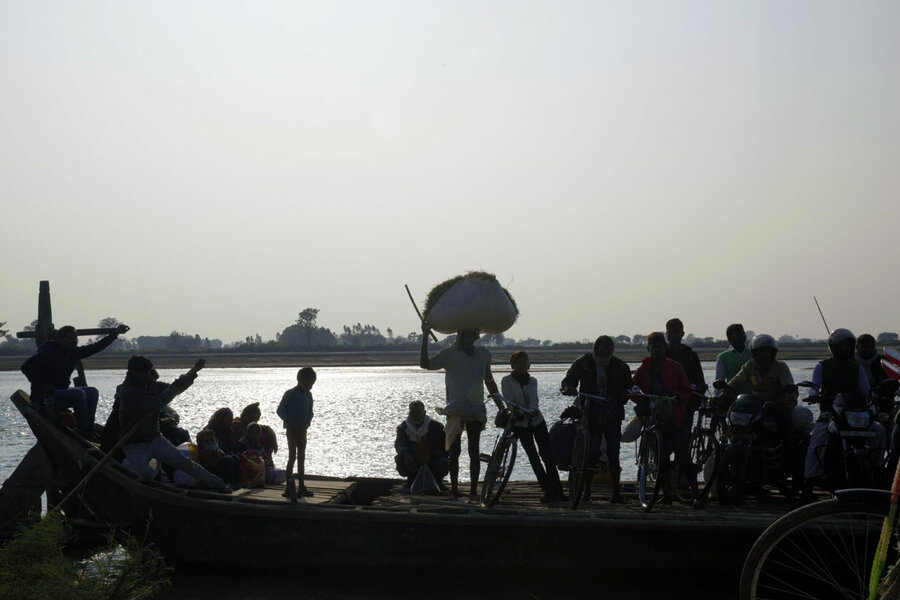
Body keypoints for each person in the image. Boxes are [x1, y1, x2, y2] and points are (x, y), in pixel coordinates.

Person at [117, 355, 229, 492]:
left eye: (149, 372)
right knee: (145, 475)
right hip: (133, 442)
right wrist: (177, 386)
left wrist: (194, 372)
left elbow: (175, 388)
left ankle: (219, 485)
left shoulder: (149, 383)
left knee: (185, 463)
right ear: (134, 372)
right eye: (144, 373)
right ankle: (156, 463)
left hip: (153, 437)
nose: (148, 376)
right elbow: (159, 401)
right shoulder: (128, 392)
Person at [420, 322, 502, 500]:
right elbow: (425, 364)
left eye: (472, 336)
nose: (469, 339)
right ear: (460, 337)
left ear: (475, 338)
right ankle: (455, 489)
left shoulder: (483, 355)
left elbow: (489, 381)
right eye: (466, 336)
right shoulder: (449, 355)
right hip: (455, 410)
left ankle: (473, 490)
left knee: (474, 450)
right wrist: (425, 336)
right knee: (454, 452)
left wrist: (501, 407)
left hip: (475, 410)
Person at [803, 329, 883, 492]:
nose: (846, 349)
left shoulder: (857, 368)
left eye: (849, 345)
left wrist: (875, 397)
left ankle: (877, 469)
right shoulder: (822, 366)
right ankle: (809, 480)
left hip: (855, 415)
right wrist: (813, 395)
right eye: (842, 346)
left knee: (879, 431)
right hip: (832, 415)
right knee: (817, 441)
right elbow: (815, 387)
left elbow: (866, 390)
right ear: (833, 347)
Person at [21, 323, 129, 438]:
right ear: (60, 339)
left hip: (60, 394)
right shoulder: (49, 351)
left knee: (92, 391)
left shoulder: (73, 352)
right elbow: (26, 367)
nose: (74, 341)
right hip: (43, 398)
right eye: (70, 338)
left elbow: (96, 347)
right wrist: (44, 386)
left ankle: (89, 428)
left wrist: (115, 333)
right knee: (78, 393)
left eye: (75, 338)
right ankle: (83, 430)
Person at [722, 334, 800, 490]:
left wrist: (785, 404)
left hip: (777, 407)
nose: (764, 355)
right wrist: (726, 392)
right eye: (761, 351)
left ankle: (794, 476)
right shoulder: (749, 366)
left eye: (768, 351)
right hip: (755, 408)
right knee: (738, 431)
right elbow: (736, 381)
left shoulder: (781, 367)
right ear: (754, 353)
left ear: (773, 353)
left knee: (789, 437)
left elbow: (790, 388)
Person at [560, 336, 633, 504]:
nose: (606, 351)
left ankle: (616, 493)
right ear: (596, 347)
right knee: (589, 453)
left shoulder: (620, 366)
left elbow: (628, 387)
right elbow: (569, 379)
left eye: (609, 347)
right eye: (603, 347)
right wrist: (568, 388)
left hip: (612, 414)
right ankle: (586, 493)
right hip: (590, 412)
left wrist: (625, 395)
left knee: (614, 453)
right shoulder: (583, 362)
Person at [633, 332, 700, 506]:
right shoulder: (643, 370)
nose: (657, 351)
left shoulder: (675, 367)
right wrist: (640, 401)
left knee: (683, 456)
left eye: (660, 347)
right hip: (655, 420)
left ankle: (697, 495)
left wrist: (677, 395)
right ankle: (667, 494)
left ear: (665, 348)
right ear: (649, 349)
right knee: (660, 458)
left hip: (676, 418)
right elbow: (635, 391)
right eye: (653, 347)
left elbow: (686, 390)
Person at [500, 350, 566, 503]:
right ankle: (547, 489)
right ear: (512, 365)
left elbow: (535, 401)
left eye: (524, 363)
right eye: (518, 363)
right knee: (533, 456)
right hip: (520, 422)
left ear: (529, 364)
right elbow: (509, 402)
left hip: (537, 420)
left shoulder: (533, 380)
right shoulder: (507, 381)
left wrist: (532, 411)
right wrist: (523, 412)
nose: (522, 366)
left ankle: (557, 491)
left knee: (548, 456)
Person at [277, 367, 317, 499]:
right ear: (300, 380)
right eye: (308, 384)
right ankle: (289, 487)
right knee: (292, 457)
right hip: (292, 430)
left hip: (303, 430)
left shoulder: (308, 395)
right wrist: (290, 421)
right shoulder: (290, 394)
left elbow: (311, 412)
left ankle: (301, 486)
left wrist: (307, 423)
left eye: (311, 384)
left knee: (302, 458)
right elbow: (280, 411)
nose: (310, 387)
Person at [394, 401, 449, 489]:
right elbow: (399, 444)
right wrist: (406, 454)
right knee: (400, 459)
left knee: (443, 462)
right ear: (409, 413)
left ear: (424, 413)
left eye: (418, 412)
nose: (416, 415)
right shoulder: (403, 427)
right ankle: (411, 480)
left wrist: (432, 456)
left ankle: (437, 481)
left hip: (432, 460)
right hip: (412, 460)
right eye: (413, 412)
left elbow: (445, 447)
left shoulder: (437, 427)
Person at [715, 324, 752, 393]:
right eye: (738, 334)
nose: (742, 336)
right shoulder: (722, 357)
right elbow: (719, 380)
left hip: (752, 397)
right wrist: (717, 397)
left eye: (743, 333)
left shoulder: (753, 354)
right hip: (731, 397)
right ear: (730, 338)